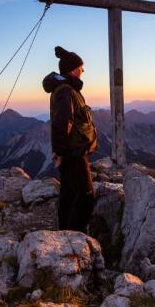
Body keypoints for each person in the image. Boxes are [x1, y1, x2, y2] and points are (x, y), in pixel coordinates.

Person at [42, 46, 98, 233]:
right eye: (82, 68)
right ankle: (75, 239)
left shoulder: (67, 90)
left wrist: (60, 152)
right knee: (86, 197)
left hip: (70, 153)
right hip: (73, 155)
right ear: (74, 69)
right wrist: (59, 153)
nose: (83, 72)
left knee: (68, 194)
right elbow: (61, 123)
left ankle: (64, 234)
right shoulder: (66, 91)